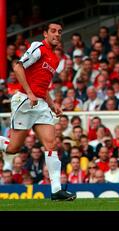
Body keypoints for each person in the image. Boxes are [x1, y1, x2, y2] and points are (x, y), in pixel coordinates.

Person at [0, 22, 76, 201]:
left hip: (41, 104)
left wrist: (52, 105)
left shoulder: (55, 59)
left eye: (59, 32)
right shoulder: (38, 47)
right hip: (25, 101)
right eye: (53, 31)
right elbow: (18, 67)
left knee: (51, 144)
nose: (57, 34)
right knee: (13, 149)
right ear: (45, 33)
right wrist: (29, 92)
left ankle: (56, 190)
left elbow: (43, 86)